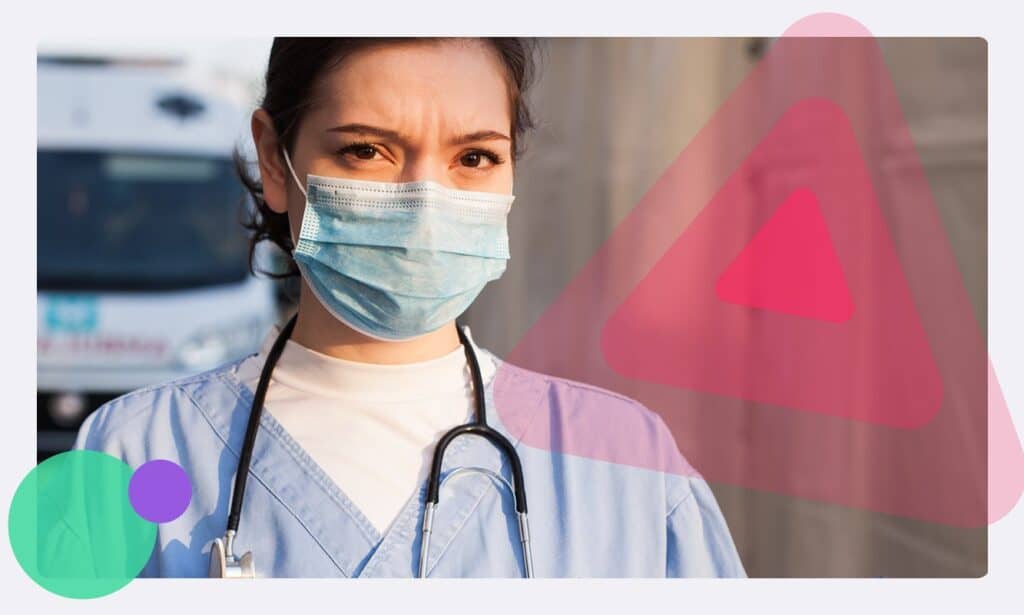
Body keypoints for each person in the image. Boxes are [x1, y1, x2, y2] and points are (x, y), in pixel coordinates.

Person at [74, 37, 746, 578]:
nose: (426, 202)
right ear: (276, 162)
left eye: (474, 156)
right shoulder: (138, 453)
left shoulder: (626, 465)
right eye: (366, 150)